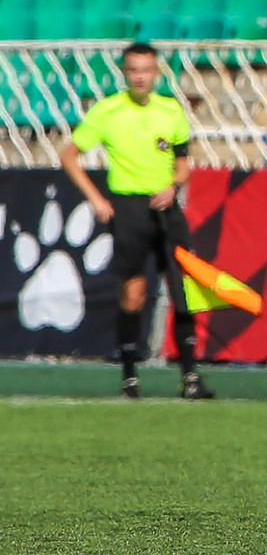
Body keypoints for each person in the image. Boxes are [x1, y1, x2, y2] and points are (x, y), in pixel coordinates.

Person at [60, 41, 209, 401]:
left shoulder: (171, 111)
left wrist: (173, 186)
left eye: (146, 70)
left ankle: (190, 378)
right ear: (125, 73)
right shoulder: (108, 111)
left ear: (157, 73)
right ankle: (129, 377)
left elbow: (184, 164)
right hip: (128, 208)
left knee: (184, 291)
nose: (140, 77)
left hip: (166, 209)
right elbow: (69, 155)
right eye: (134, 71)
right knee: (134, 294)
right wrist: (97, 199)